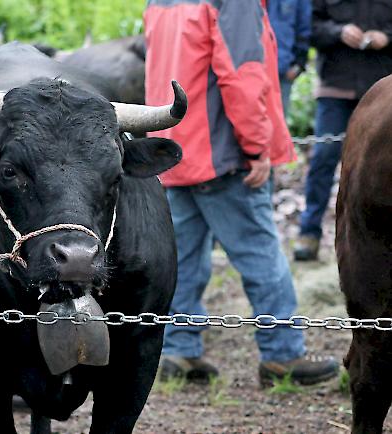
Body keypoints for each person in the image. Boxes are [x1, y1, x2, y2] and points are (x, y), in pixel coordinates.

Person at [144, 0, 339, 385]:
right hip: (222, 151)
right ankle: (283, 354)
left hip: (175, 148)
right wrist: (256, 147)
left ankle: (178, 350)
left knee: (183, 258)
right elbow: (242, 75)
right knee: (260, 253)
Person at [293, 0, 392, 261]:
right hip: (336, 87)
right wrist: (338, 32)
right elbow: (309, 27)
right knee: (324, 158)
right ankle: (309, 233)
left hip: (383, 94)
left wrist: (386, 37)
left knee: (383, 165)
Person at [267, 0, 311, 115]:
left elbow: (305, 28)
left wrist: (298, 65)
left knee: (277, 125)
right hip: (252, 70)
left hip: (282, 72)